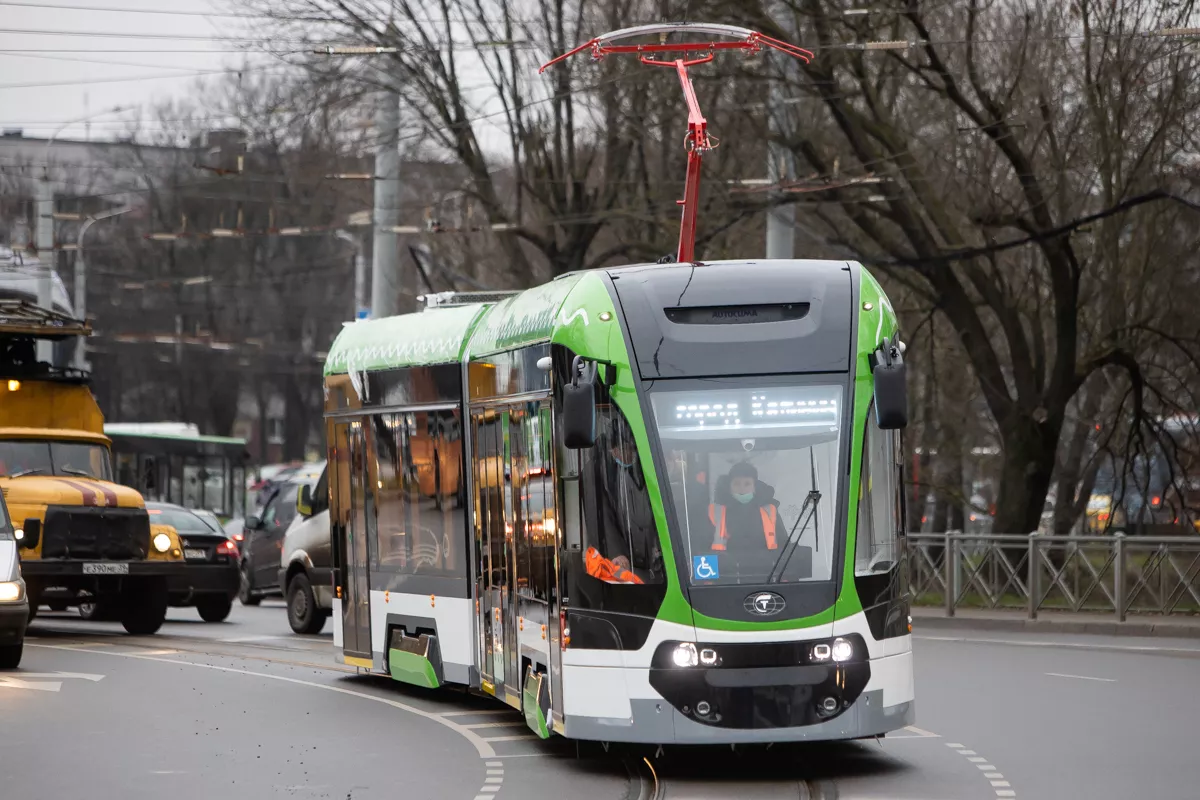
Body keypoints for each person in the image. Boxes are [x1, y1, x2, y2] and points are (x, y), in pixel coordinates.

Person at [582, 422, 654, 584]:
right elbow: (599, 515)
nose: (633, 454)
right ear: (616, 450)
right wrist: (616, 552)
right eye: (630, 449)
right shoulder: (595, 471)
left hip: (641, 555)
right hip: (617, 560)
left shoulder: (629, 468)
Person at [708, 461, 781, 555]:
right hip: (725, 567)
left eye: (747, 484)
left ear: (755, 487)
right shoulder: (715, 512)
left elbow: (783, 546)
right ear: (729, 487)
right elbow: (703, 549)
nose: (742, 489)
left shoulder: (770, 511)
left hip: (768, 568)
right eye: (736, 483)